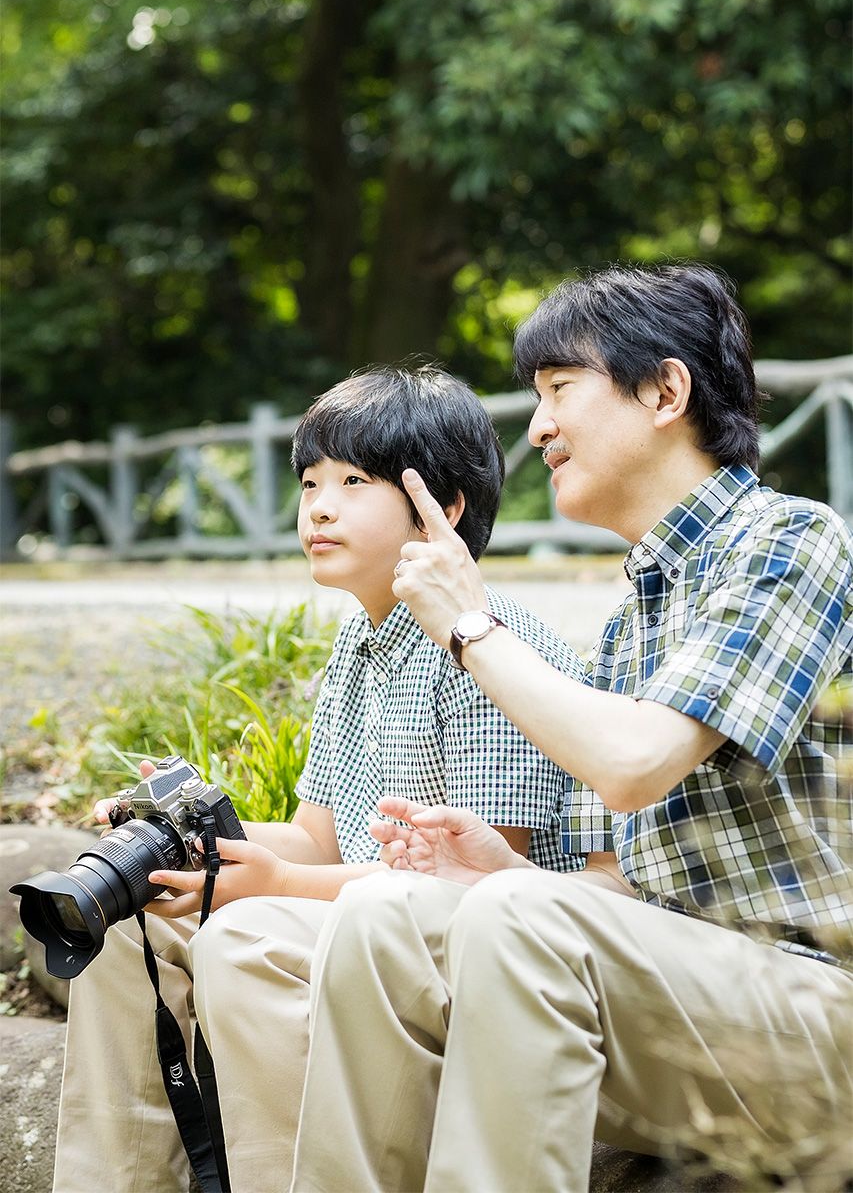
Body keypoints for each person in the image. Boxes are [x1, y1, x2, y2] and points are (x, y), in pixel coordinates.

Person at [290, 266, 853, 1193]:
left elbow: (636, 764)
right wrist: (497, 872)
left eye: (559, 391)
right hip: (687, 1005)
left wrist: (469, 626)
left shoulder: (790, 542)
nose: (537, 427)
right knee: (380, 914)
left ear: (665, 391)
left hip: (814, 1010)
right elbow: (608, 891)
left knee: (514, 914)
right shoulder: (629, 617)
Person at [52, 365, 611, 1193]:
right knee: (121, 921)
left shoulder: (493, 646)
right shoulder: (361, 643)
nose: (318, 506)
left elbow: (470, 884)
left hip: (470, 948)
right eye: (311, 482)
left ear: (443, 510)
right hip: (365, 906)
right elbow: (319, 836)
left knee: (250, 941)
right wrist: (185, 833)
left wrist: (275, 884)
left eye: (355, 483)